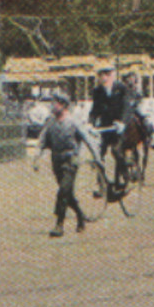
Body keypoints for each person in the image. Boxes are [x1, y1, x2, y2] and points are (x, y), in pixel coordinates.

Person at [32, 94, 93, 237]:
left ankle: (59, 224)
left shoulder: (73, 122)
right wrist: (36, 158)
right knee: (67, 193)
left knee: (62, 191)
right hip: (57, 161)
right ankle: (80, 215)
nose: (53, 106)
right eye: (53, 103)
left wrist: (97, 159)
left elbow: (88, 140)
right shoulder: (51, 123)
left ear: (64, 106)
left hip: (71, 160)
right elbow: (42, 141)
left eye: (56, 104)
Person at [88, 62, 130, 177]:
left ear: (113, 75)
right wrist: (90, 123)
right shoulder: (98, 91)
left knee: (116, 151)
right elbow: (95, 110)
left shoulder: (121, 88)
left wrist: (122, 122)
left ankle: (125, 172)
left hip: (118, 127)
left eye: (107, 74)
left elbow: (127, 107)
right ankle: (100, 182)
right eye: (101, 75)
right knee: (98, 154)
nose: (104, 77)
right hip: (105, 127)